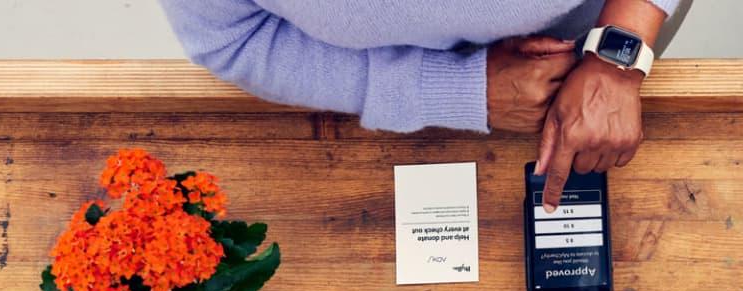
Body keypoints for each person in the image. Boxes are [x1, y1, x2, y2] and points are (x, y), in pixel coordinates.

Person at [158, 0, 687, 207]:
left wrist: (619, 50)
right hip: (383, 107)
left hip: (596, 40)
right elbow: (231, 37)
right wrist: (456, 87)